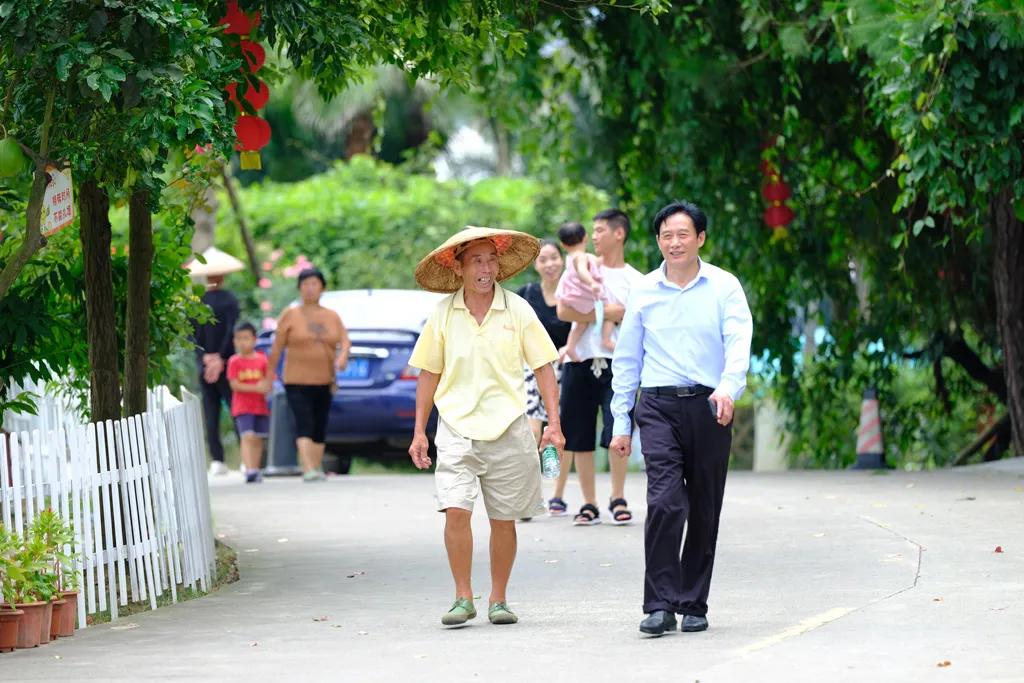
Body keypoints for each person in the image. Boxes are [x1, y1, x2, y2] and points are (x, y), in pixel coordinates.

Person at [407, 226, 565, 627]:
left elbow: (544, 367)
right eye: (476, 260)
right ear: (457, 267)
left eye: (491, 260)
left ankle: (498, 598)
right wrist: (419, 432)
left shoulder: (517, 309)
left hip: (509, 425)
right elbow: (429, 372)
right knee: (455, 511)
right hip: (456, 426)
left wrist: (554, 425)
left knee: (503, 518)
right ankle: (463, 596)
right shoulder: (443, 314)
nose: (486, 268)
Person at [609, 200, 753, 636]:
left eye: (683, 234)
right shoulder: (644, 291)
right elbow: (627, 357)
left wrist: (729, 389)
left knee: (705, 507)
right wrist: (621, 422)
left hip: (710, 405)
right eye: (667, 236)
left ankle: (693, 602)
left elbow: (738, 343)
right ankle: (658, 604)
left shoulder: (724, 287)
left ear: (700, 239)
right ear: (658, 241)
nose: (675, 242)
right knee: (666, 502)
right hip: (657, 405)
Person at [555, 209, 644, 527]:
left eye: (600, 230)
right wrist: (609, 312)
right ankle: (589, 502)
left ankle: (618, 497)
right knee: (578, 434)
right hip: (579, 361)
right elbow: (564, 311)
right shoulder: (582, 267)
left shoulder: (637, 280)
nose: (594, 236)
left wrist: (608, 314)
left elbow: (637, 320)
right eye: (591, 231)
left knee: (617, 429)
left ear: (619, 234)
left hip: (618, 364)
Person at [267, 268, 352, 482]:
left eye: (314, 283)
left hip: (324, 379)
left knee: (319, 423)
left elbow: (345, 341)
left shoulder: (332, 316)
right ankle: (308, 468)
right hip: (295, 380)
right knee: (304, 421)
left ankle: (316, 467)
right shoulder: (290, 314)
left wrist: (342, 358)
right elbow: (276, 348)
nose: (310, 288)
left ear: (322, 287)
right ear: (299, 288)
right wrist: (268, 376)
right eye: (305, 284)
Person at [516, 238, 572, 517]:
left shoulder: (574, 293)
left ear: (562, 259)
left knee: (560, 429)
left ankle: (557, 495)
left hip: (566, 368)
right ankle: (529, 495)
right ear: (535, 265)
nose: (549, 264)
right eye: (543, 260)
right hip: (530, 369)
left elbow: (586, 326)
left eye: (554, 258)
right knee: (530, 429)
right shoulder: (526, 294)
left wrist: (569, 349)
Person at [187, 247, 244, 476]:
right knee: (235, 408)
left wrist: (205, 358)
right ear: (222, 275)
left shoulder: (196, 301)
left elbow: (191, 335)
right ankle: (245, 459)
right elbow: (232, 331)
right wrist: (220, 358)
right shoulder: (230, 301)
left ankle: (218, 461)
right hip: (228, 364)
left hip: (205, 366)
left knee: (210, 412)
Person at [555, 222, 615, 362]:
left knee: (581, 323)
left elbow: (596, 262)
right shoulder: (580, 256)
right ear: (585, 238)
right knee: (610, 312)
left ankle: (570, 347)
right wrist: (592, 283)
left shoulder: (572, 257)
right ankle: (606, 340)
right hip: (582, 295)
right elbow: (582, 271)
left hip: (571, 296)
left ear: (563, 245)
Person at [227, 322, 272, 484]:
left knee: (258, 438)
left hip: (260, 407)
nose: (242, 342)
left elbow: (269, 381)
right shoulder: (234, 361)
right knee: (247, 436)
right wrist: (256, 388)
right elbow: (234, 384)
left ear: (254, 339)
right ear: (234, 341)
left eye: (245, 338)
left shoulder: (262, 360)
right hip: (242, 407)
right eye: (238, 338)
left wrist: (266, 387)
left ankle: (256, 468)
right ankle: (249, 469)